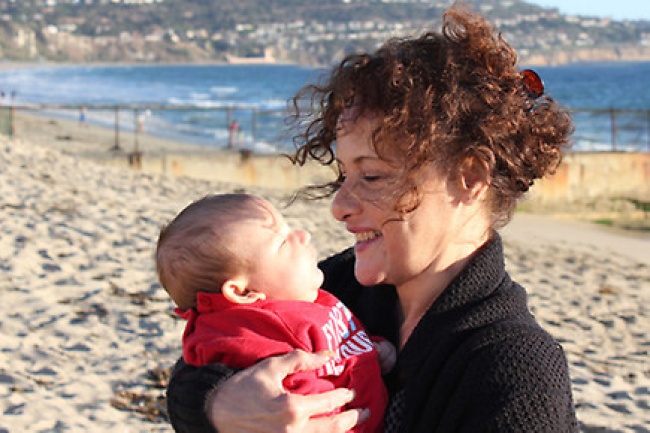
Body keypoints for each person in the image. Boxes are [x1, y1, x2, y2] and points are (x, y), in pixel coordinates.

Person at [166, 5, 578, 432]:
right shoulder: (335, 286)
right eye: (343, 175)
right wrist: (218, 405)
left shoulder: (516, 372)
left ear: (470, 177)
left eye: (372, 176)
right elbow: (202, 359)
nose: (340, 205)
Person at [157, 193, 393, 433]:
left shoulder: (298, 297)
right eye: (282, 242)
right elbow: (287, 404)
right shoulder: (258, 329)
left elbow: (334, 346)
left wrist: (371, 352)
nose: (303, 235)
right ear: (243, 292)